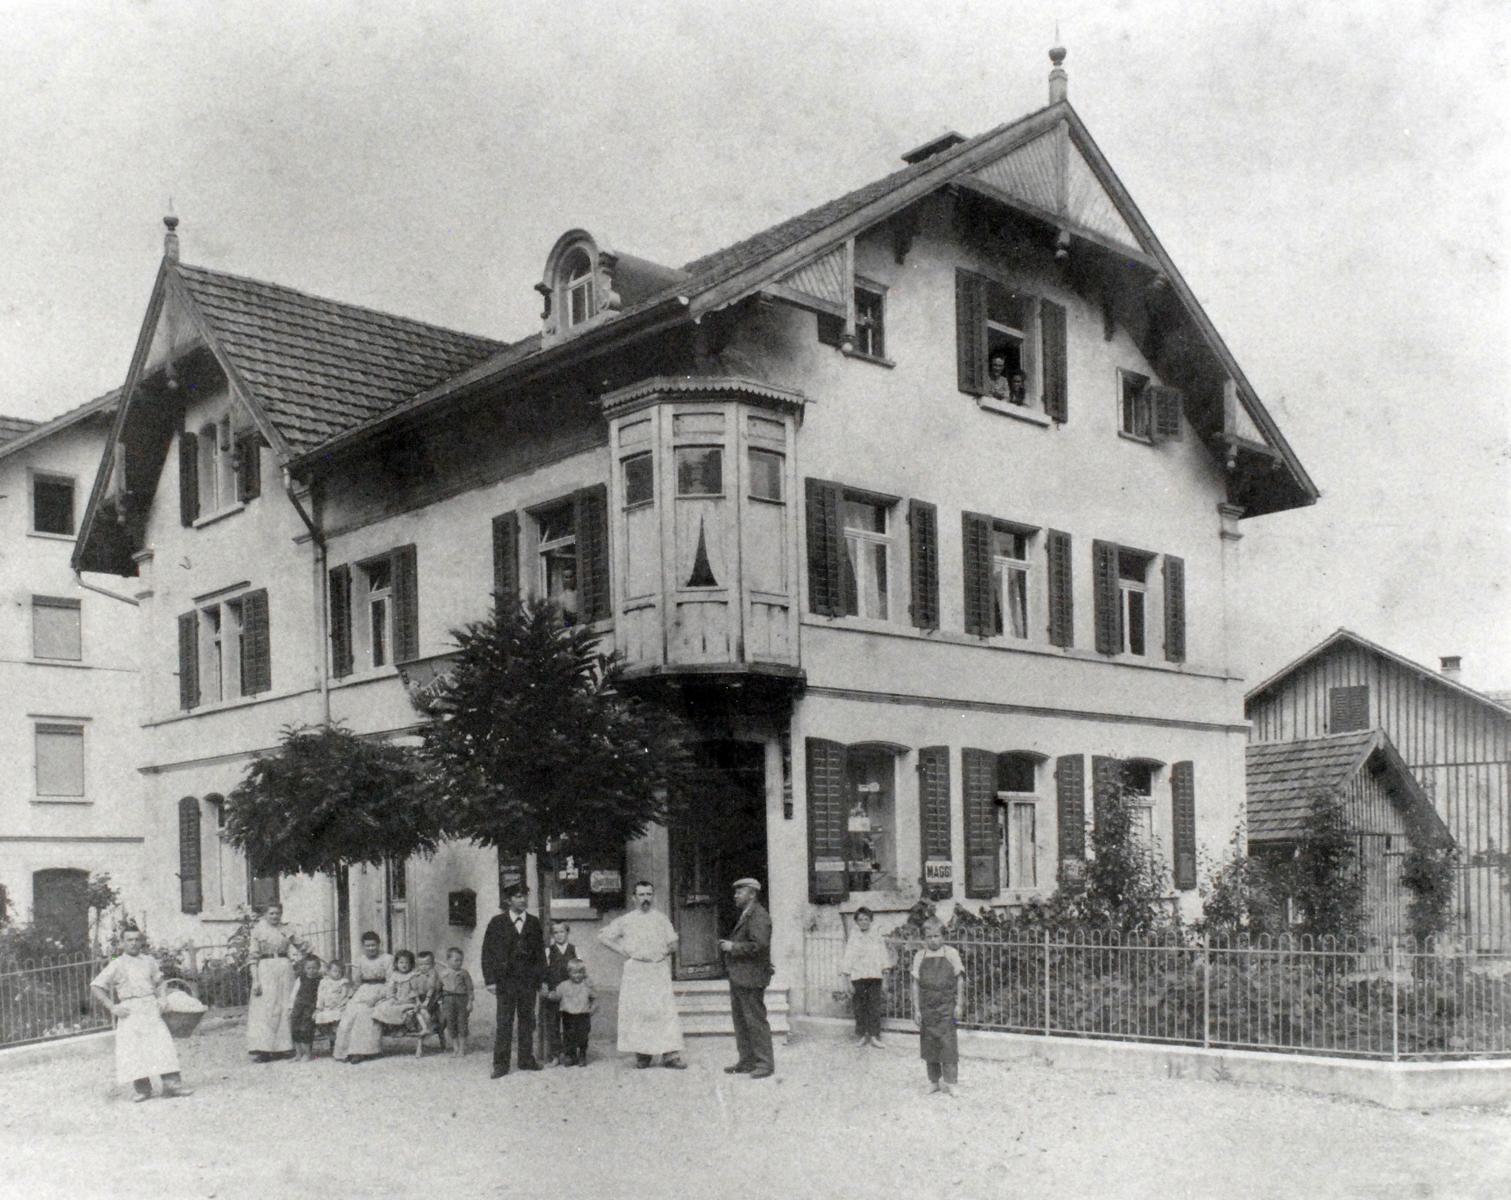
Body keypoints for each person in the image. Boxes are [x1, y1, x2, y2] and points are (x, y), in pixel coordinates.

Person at [89, 926, 192, 1101]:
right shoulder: (117, 963)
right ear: (122, 943)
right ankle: (143, 1089)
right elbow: (96, 986)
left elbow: (160, 982)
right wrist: (112, 1007)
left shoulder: (149, 961)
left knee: (162, 1044)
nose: (134, 943)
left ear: (141, 942)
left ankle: (172, 1085)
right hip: (130, 1009)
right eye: (129, 940)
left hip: (150, 1006)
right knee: (135, 1050)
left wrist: (162, 999)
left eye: (137, 939)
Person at [598, 881, 685, 1069]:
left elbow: (674, 943)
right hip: (636, 970)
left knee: (663, 1010)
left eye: (648, 894)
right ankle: (643, 1054)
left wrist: (665, 952)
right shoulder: (627, 920)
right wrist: (623, 951)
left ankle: (670, 1055)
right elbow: (603, 937)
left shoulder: (661, 919)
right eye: (641, 895)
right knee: (639, 1012)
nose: (645, 898)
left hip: (657, 968)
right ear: (634, 898)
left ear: (653, 896)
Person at [481, 885, 545, 1078]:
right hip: (505, 982)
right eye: (518, 896)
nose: (523, 900)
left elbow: (540, 954)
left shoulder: (533, 923)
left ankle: (526, 1059)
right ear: (508, 900)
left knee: (527, 1021)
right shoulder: (497, 922)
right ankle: (501, 1064)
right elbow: (487, 953)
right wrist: (490, 980)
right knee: (504, 1022)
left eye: (525, 896)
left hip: (527, 981)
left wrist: (540, 979)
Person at [718, 877, 775, 1079]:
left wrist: (733, 947)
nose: (735, 896)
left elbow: (759, 945)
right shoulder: (747, 914)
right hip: (741, 976)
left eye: (739, 892)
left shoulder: (758, 915)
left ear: (752, 893)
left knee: (755, 1020)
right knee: (741, 1020)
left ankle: (765, 1064)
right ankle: (747, 1061)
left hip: (751, 976)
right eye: (736, 892)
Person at [246, 902, 307, 1062]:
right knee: (266, 1007)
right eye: (271, 913)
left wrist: (314, 956)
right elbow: (253, 957)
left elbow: (303, 945)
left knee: (285, 1005)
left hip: (285, 968)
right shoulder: (258, 930)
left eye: (278, 913)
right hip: (265, 969)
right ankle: (264, 1049)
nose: (275, 916)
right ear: (265, 914)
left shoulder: (287, 929)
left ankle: (285, 1047)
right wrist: (256, 980)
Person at [911, 918, 965, 1095]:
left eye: (936, 936)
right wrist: (917, 1009)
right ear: (924, 938)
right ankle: (933, 1081)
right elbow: (915, 984)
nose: (933, 940)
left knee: (948, 1044)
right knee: (929, 1044)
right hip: (927, 1006)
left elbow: (959, 979)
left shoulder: (951, 953)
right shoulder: (920, 956)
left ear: (943, 936)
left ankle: (951, 1083)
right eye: (929, 937)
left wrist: (959, 1004)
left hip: (946, 1006)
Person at [334, 931, 392, 1062]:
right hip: (363, 989)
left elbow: (391, 982)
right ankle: (345, 1051)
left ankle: (362, 1051)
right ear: (363, 946)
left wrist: (378, 996)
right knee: (350, 1011)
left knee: (365, 1013)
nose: (371, 948)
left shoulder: (387, 958)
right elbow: (357, 981)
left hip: (382, 989)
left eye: (373, 945)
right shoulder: (360, 960)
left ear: (378, 944)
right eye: (367, 946)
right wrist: (352, 995)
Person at [839, 906, 891, 1048]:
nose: (863, 922)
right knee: (860, 1007)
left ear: (871, 920)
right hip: (858, 977)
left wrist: (885, 977)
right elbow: (848, 958)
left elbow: (883, 956)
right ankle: (862, 1036)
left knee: (874, 1007)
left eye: (866, 919)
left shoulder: (876, 937)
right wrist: (847, 979)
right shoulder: (853, 938)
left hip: (874, 976)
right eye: (860, 919)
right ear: (856, 922)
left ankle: (874, 1037)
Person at [545, 958, 595, 1066]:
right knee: (569, 1037)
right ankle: (571, 1056)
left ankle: (582, 1055)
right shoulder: (563, 985)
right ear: (568, 973)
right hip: (568, 1015)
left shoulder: (587, 985)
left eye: (580, 973)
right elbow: (557, 996)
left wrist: (592, 1009)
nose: (577, 976)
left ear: (583, 973)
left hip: (583, 1015)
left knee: (583, 1036)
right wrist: (549, 995)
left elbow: (594, 998)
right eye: (574, 973)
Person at [540, 920, 578, 1065]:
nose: (559, 935)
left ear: (567, 933)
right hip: (553, 993)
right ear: (552, 935)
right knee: (553, 1024)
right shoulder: (548, 951)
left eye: (562, 932)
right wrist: (544, 987)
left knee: (570, 1023)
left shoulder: (574, 950)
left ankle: (569, 1054)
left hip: (570, 993)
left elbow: (581, 971)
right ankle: (555, 1054)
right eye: (555, 932)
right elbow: (544, 971)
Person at [372, 949, 422, 1029]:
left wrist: (406, 1000)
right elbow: (391, 989)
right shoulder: (395, 976)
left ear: (411, 964)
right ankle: (391, 1027)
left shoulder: (412, 976)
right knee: (383, 1007)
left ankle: (402, 1027)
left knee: (402, 1010)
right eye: (401, 962)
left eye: (407, 962)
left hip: (408, 1000)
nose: (404, 965)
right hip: (397, 999)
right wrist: (392, 998)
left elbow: (415, 991)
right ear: (396, 964)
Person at [437, 947, 474, 1057]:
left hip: (461, 999)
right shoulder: (443, 973)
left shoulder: (464, 973)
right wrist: (440, 1001)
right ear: (448, 960)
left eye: (460, 960)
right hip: (448, 1000)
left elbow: (470, 988)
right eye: (456, 960)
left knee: (462, 1023)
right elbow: (438, 988)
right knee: (450, 1023)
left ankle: (462, 1048)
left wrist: (470, 1002)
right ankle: (455, 1048)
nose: (459, 963)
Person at [289, 954, 323, 1061]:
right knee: (295, 1029)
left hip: (310, 1008)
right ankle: (298, 1053)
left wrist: (318, 1009)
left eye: (314, 968)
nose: (311, 970)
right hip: (298, 1007)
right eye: (309, 968)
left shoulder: (321, 980)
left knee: (306, 1029)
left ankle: (307, 1054)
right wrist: (290, 1007)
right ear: (304, 969)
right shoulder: (301, 979)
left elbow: (322, 995)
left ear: (318, 968)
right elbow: (294, 993)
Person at [314, 959, 352, 1033]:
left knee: (337, 1024)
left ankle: (336, 1039)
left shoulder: (343, 982)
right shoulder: (324, 982)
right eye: (335, 971)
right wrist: (319, 1007)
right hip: (327, 1008)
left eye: (340, 972)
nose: (337, 974)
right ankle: (330, 1037)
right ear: (328, 971)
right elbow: (321, 996)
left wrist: (341, 1005)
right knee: (322, 1019)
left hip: (339, 1008)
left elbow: (345, 996)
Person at [412, 950, 443, 1038]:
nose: (424, 967)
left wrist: (426, 1001)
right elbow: (414, 989)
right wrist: (417, 1000)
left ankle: (428, 1027)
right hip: (420, 997)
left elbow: (431, 988)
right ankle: (421, 1026)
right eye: (421, 965)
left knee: (423, 1010)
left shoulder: (433, 974)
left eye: (427, 964)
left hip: (432, 997)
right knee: (413, 1008)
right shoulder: (417, 974)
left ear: (433, 964)